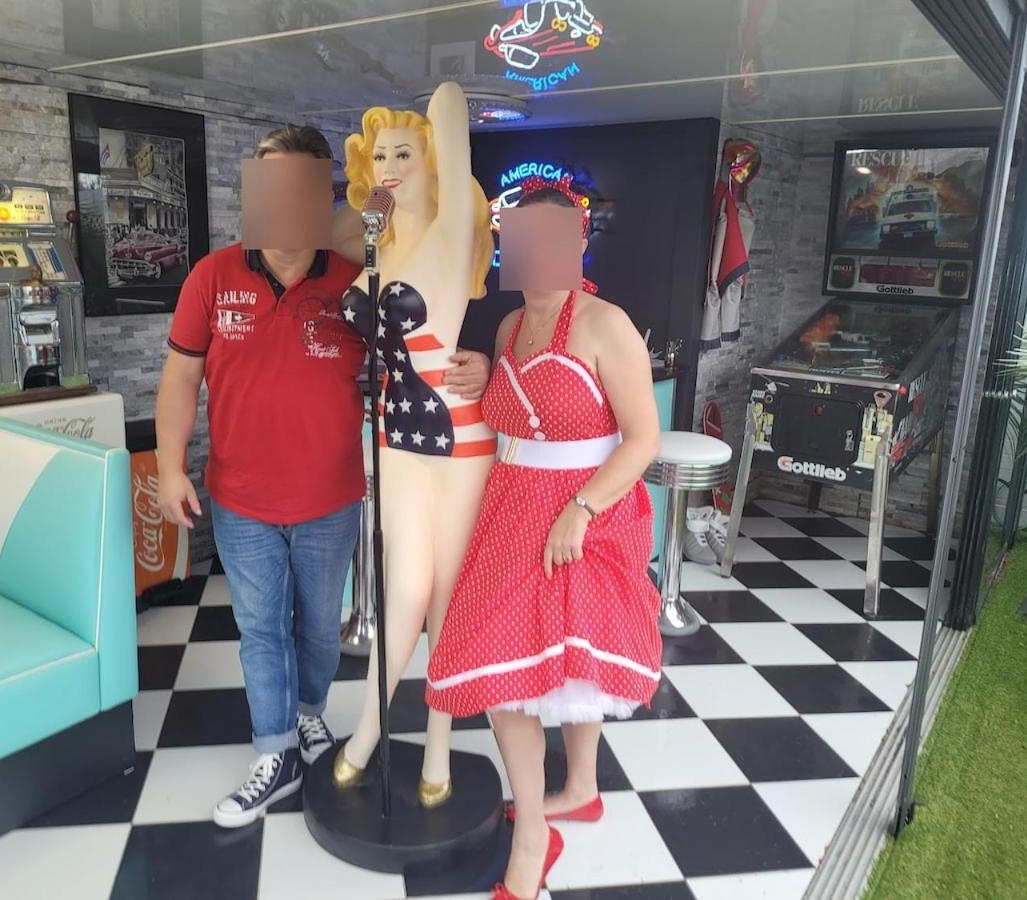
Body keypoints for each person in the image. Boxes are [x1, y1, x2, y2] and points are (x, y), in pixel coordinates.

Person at [155, 123, 491, 828]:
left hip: (333, 498)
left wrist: (480, 363)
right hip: (241, 498)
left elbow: (425, 330)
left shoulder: (352, 277)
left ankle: (309, 713)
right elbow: (181, 375)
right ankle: (273, 751)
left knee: (317, 631)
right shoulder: (212, 276)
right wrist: (167, 464)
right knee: (260, 630)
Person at [425, 178, 663, 899]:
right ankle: (559, 804)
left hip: (584, 516)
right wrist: (486, 372)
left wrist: (581, 511)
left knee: (561, 662)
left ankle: (547, 822)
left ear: (578, 244)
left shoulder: (606, 325)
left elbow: (643, 439)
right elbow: (520, 412)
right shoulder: (506, 328)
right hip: (511, 511)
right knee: (510, 664)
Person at [333, 80, 496, 807]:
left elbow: (451, 108)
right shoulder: (379, 242)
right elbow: (339, 240)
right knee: (404, 585)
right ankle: (370, 731)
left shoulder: (450, 231)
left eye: (404, 153)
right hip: (393, 433)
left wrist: (438, 87)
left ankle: (438, 741)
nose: (389, 166)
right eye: (379, 155)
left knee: (447, 594)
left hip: (458, 434)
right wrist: (371, 210)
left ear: (432, 161)